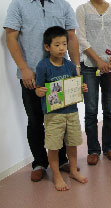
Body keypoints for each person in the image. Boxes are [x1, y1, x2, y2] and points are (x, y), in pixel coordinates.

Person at [4, 0, 80, 182]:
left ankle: (64, 160)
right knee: (36, 120)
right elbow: (11, 37)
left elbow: (72, 37)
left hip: (62, 74)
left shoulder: (64, 5)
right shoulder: (17, 5)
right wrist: (24, 69)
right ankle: (39, 162)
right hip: (32, 76)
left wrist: (75, 66)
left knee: (63, 119)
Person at [76, 0, 111, 165]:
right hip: (89, 65)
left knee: (110, 110)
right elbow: (82, 39)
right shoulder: (82, 9)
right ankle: (93, 150)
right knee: (91, 110)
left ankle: (109, 147)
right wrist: (98, 61)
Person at [35, 26, 88, 191]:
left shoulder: (71, 66)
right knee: (54, 145)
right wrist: (39, 91)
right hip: (53, 115)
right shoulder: (43, 66)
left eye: (64, 44)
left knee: (72, 143)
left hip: (71, 112)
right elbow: (38, 88)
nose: (62, 48)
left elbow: (75, 85)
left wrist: (82, 87)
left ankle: (72, 171)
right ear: (47, 47)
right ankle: (56, 175)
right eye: (57, 45)